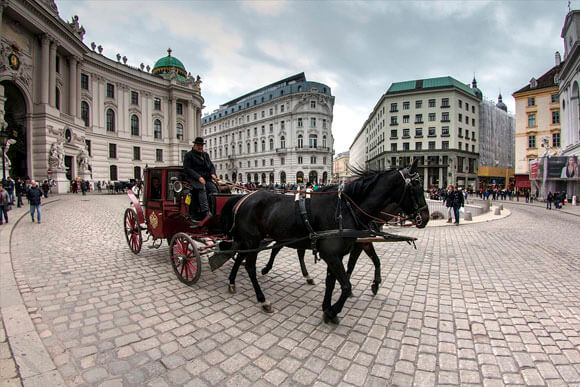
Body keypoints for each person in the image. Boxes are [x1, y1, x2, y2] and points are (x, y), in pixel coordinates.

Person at [183, 137, 218, 221]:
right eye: (198, 145)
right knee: (201, 188)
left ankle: (214, 209)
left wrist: (213, 174)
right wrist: (198, 177)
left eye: (201, 145)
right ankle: (205, 211)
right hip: (193, 179)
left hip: (206, 178)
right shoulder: (188, 155)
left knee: (213, 189)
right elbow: (188, 169)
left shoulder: (205, 155)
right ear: (194, 145)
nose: (200, 147)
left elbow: (211, 166)